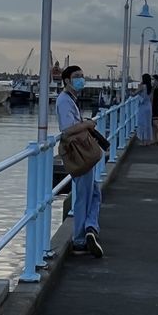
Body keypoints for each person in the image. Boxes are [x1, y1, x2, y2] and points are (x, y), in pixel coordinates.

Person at [57, 64, 104, 258]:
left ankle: (90, 228)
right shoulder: (64, 100)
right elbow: (67, 129)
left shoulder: (70, 99)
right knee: (85, 196)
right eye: (77, 76)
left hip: (81, 152)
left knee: (93, 193)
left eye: (82, 76)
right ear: (67, 80)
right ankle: (80, 239)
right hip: (79, 153)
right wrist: (88, 124)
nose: (81, 79)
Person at [136, 73, 153, 143]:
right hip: (148, 106)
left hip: (142, 107)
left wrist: (139, 85)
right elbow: (151, 98)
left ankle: (143, 141)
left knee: (142, 123)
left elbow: (134, 93)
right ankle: (148, 141)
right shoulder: (150, 87)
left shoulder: (142, 87)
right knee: (148, 123)